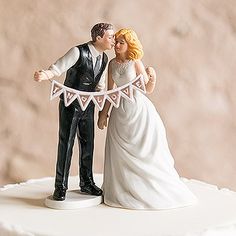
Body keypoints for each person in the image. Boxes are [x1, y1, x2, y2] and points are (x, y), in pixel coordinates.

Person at [98, 28, 197, 209]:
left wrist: (153, 77)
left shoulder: (135, 63)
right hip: (119, 113)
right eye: (116, 41)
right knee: (120, 153)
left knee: (142, 149)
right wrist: (104, 114)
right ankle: (122, 189)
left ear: (129, 45)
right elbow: (110, 92)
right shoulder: (111, 64)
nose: (117, 45)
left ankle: (147, 189)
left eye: (121, 42)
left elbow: (147, 89)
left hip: (137, 110)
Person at [34, 23, 115, 201]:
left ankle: (86, 182)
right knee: (66, 144)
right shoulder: (78, 52)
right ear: (99, 38)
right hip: (71, 103)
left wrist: (102, 110)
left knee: (88, 144)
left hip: (89, 105)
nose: (113, 40)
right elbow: (58, 67)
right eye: (110, 37)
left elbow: (100, 86)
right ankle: (60, 186)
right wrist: (46, 75)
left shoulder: (104, 59)